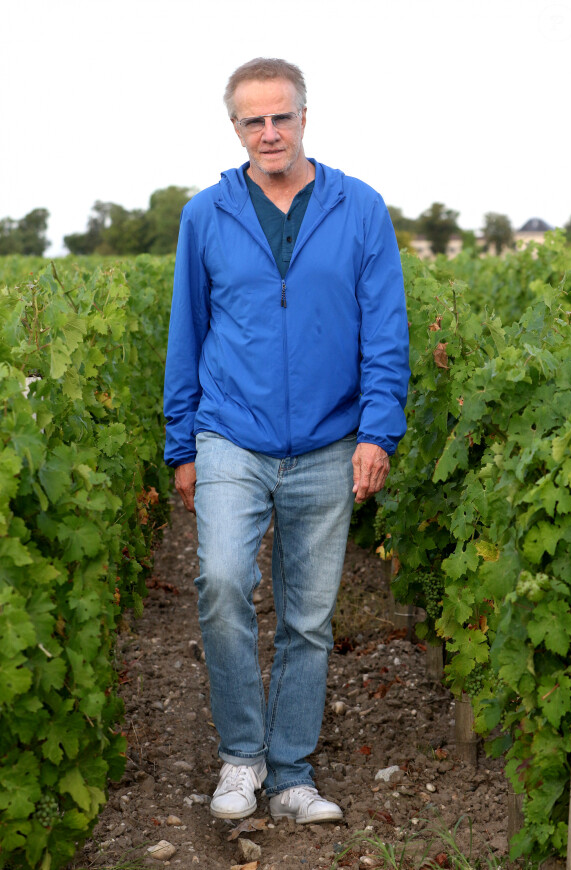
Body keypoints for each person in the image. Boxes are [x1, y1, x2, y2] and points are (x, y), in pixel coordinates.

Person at [163, 57, 410, 825]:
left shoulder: (359, 208)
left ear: (304, 117)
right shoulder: (205, 215)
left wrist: (377, 430)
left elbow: (386, 329)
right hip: (231, 432)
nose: (269, 132)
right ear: (235, 127)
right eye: (254, 120)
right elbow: (186, 330)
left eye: (282, 116)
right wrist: (181, 445)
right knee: (222, 583)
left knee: (307, 616)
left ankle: (293, 774)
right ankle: (243, 756)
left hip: (331, 441)